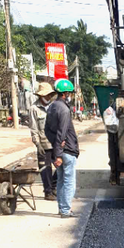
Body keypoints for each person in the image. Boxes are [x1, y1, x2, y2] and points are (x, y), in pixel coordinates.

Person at [45, 79, 80, 218]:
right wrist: (59, 154)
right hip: (66, 151)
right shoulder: (64, 109)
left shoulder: (52, 107)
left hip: (58, 148)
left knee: (60, 180)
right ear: (65, 93)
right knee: (69, 181)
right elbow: (62, 132)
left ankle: (62, 208)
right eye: (69, 93)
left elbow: (47, 130)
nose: (70, 95)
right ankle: (66, 210)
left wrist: (55, 148)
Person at [29, 82, 58, 201]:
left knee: (63, 165)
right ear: (40, 96)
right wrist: (37, 143)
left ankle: (54, 186)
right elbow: (33, 128)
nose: (48, 98)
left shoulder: (55, 106)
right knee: (45, 169)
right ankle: (48, 192)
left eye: (49, 95)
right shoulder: (34, 109)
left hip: (56, 142)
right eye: (46, 95)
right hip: (43, 143)